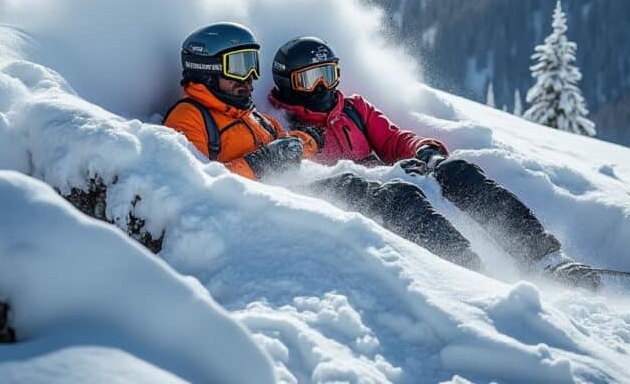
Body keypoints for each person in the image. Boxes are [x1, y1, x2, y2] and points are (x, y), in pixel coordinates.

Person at [267, 36, 601, 288]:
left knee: (459, 172)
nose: (323, 86)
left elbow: (394, 139)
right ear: (287, 83)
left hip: (399, 179)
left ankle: (546, 260)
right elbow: (299, 174)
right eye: (310, 79)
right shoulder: (281, 125)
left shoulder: (353, 109)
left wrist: (425, 151)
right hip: (369, 202)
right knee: (407, 201)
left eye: (328, 74)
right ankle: (477, 281)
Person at [164, 23, 483, 272]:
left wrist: (301, 143)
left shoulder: (255, 117)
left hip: (290, 193)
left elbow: (290, 148)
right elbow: (192, 191)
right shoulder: (189, 117)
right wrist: (259, 162)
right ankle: (462, 275)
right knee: (388, 197)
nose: (249, 77)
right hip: (261, 214)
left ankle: (467, 268)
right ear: (206, 69)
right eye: (238, 65)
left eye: (252, 64)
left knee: (401, 195)